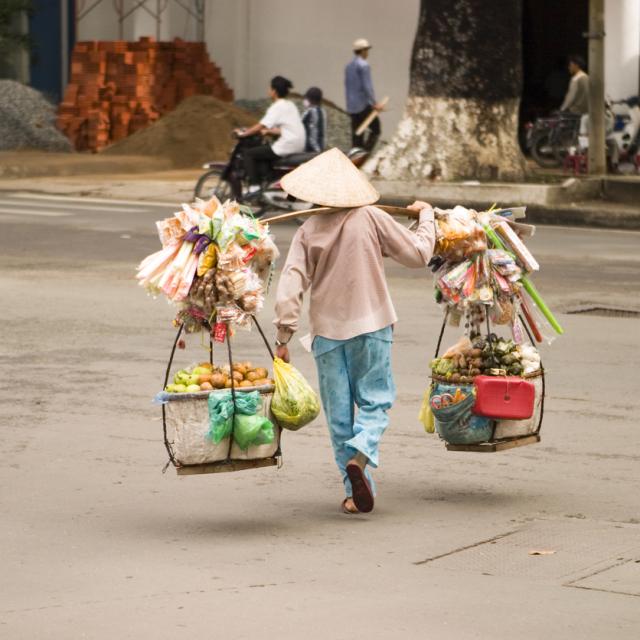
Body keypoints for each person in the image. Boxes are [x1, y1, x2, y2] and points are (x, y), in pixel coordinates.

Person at [273, 148, 436, 515]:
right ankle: (361, 455)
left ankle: (353, 491)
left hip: (328, 335)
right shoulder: (372, 218)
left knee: (340, 417)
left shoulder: (308, 230)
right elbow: (418, 253)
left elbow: (291, 285)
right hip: (373, 324)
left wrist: (283, 337)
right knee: (376, 401)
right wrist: (426, 215)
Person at [235, 76, 305, 197]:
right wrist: (269, 132)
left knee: (248, 154)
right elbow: (287, 127)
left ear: (274, 91)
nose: (268, 91)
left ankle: (254, 186)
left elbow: (261, 125)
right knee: (264, 152)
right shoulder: (290, 105)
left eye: (269, 88)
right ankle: (268, 182)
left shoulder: (277, 106)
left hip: (287, 144)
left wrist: (244, 133)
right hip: (298, 143)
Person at [344, 38, 385, 150]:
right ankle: (366, 152)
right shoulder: (364, 65)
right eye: (366, 50)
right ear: (362, 51)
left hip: (352, 107)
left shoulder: (348, 66)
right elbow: (367, 87)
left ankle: (356, 155)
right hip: (363, 106)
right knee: (376, 129)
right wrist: (375, 103)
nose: (367, 53)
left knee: (357, 134)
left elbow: (347, 87)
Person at [301, 87, 327, 153]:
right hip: (320, 147)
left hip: (310, 150)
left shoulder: (309, 112)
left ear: (310, 99)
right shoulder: (322, 111)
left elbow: (300, 126)